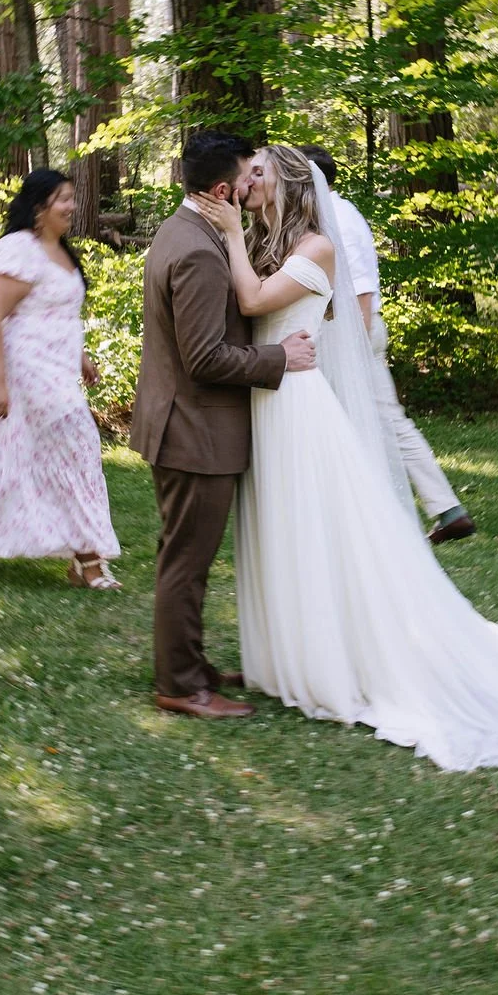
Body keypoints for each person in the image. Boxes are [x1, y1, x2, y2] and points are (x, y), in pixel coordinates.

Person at [195, 144, 498, 770]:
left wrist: (231, 236)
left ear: (292, 185)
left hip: (299, 409)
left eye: (260, 174)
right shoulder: (270, 244)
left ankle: (332, 663)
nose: (248, 181)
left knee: (315, 531)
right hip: (269, 399)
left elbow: (251, 302)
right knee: (280, 531)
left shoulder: (317, 248)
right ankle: (281, 658)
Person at [130, 132, 317, 721]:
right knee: (186, 563)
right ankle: (182, 685)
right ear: (220, 190)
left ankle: (192, 665)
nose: (251, 187)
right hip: (194, 432)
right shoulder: (199, 253)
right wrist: (280, 358)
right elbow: (206, 358)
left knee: (183, 556)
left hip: (184, 426)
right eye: (245, 179)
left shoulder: (185, 231)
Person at [0, 170, 120, 589]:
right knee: (75, 450)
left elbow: (53, 312)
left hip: (56, 372)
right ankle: (89, 563)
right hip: (22, 373)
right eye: (64, 199)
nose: (72, 206)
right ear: (39, 207)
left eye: (73, 198)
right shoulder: (18, 249)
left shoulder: (59, 250)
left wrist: (80, 356)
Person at [299, 145, 475, 545]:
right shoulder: (332, 214)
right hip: (349, 334)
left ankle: (433, 511)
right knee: (382, 423)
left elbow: (360, 289)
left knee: (377, 422)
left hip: (357, 334)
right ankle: (444, 509)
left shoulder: (338, 218)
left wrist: (356, 350)